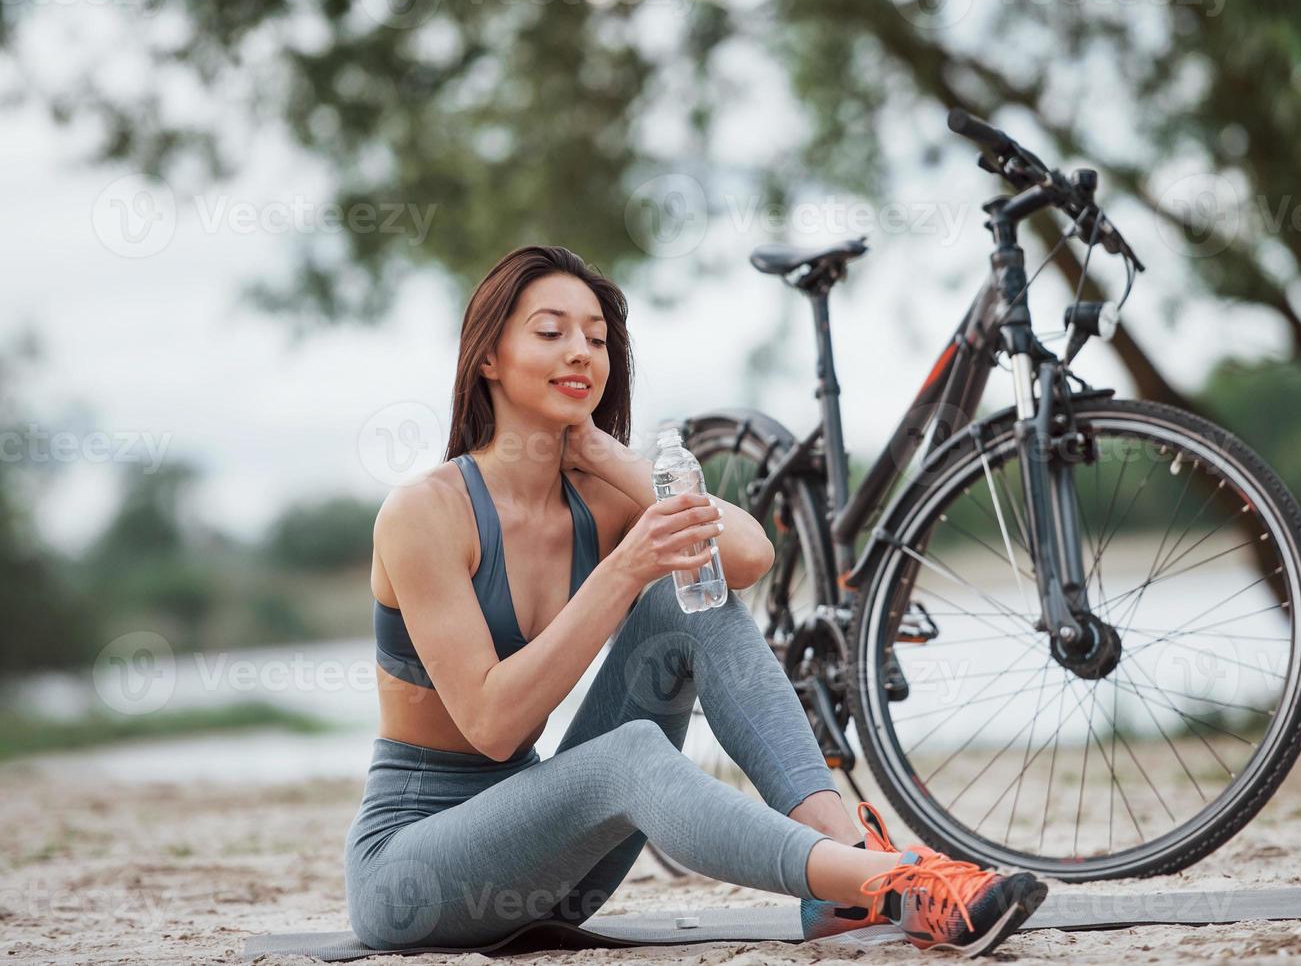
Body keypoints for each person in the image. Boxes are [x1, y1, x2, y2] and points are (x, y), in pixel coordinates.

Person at [343, 245, 1048, 958]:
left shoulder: (593, 496)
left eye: (597, 338)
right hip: (414, 877)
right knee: (629, 753)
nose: (581, 352)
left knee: (686, 605)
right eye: (551, 332)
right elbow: (493, 725)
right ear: (488, 358)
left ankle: (844, 860)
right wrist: (623, 569)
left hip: (553, 863)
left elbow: (746, 556)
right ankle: (890, 880)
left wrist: (612, 458)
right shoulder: (424, 514)